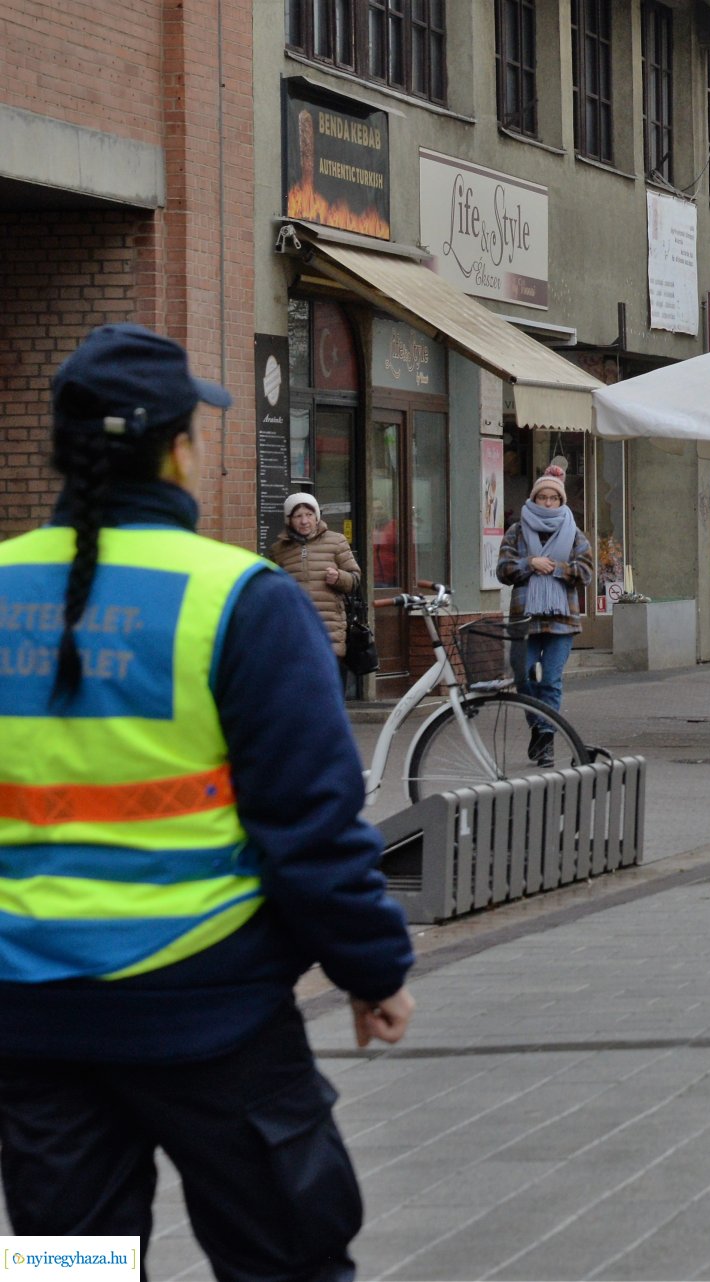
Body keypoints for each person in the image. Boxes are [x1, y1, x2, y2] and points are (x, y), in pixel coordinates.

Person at [0, 324, 414, 1275]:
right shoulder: (238, 598)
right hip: (213, 1017)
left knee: (69, 1268)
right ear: (180, 448)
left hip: (32, 1023)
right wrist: (371, 967)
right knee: (285, 1256)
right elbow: (309, 825)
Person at [497, 464, 593, 765]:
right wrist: (530, 564)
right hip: (525, 617)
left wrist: (559, 568)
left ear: (561, 501)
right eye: (543, 498)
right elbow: (502, 570)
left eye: (554, 498)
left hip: (561, 619)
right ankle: (538, 727)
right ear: (534, 499)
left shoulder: (573, 532)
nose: (548, 503)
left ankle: (546, 738)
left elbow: (587, 572)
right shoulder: (516, 531)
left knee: (550, 680)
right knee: (524, 676)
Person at [270, 491, 362, 686]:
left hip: (330, 629)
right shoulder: (279, 550)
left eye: (309, 515)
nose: (304, 521)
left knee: (332, 689)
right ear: (289, 520)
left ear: (317, 516)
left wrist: (339, 577)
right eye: (298, 516)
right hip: (296, 630)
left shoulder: (336, 541)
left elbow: (355, 579)